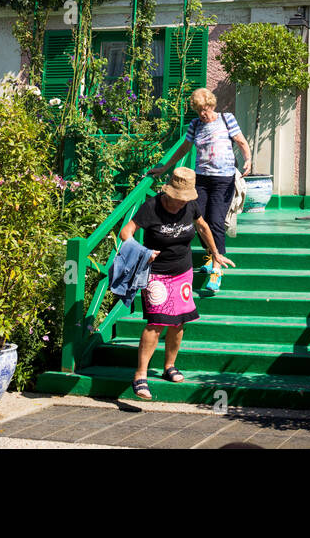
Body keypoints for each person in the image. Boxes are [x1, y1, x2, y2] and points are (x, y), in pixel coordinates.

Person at [118, 166, 232, 399]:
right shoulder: (151, 207)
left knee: (179, 322)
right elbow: (125, 232)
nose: (181, 203)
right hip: (156, 273)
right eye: (177, 199)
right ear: (168, 192)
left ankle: (169, 366)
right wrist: (142, 251)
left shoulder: (191, 204)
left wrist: (215, 253)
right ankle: (140, 374)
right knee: (156, 322)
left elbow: (202, 226)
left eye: (184, 199)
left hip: (183, 271)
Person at [148, 87, 250, 294]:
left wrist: (248, 159)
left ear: (212, 105)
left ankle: (216, 268)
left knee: (215, 221)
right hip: (201, 179)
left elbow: (240, 141)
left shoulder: (226, 119)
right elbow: (184, 148)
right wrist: (165, 168)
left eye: (205, 109)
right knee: (198, 219)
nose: (203, 113)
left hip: (223, 179)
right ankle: (210, 254)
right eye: (199, 110)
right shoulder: (195, 125)